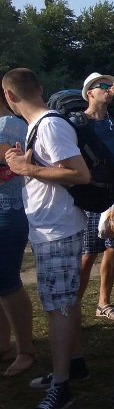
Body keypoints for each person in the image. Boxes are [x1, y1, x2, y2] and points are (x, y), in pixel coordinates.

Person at [3, 68, 90, 409]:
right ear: (39, 87)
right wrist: (27, 165)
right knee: (63, 301)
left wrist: (28, 170)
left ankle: (62, 385)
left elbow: (79, 174)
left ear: (9, 96)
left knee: (58, 307)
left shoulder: (50, 125)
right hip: (50, 226)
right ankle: (74, 364)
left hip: (58, 228)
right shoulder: (38, 126)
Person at [76, 72, 114, 322]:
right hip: (91, 191)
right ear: (90, 93)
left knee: (113, 245)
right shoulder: (79, 123)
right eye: (103, 86)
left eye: (110, 85)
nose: (109, 89)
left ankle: (103, 302)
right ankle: (73, 308)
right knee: (88, 252)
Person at [0, 88, 35, 378]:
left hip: (8, 211)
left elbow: (13, 168)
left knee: (7, 282)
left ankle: (25, 351)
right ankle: (4, 345)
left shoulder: (8, 125)